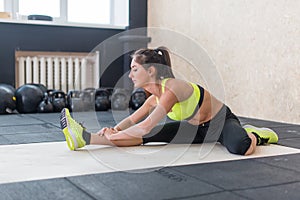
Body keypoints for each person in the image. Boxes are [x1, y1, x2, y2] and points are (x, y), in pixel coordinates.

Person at [60, 47, 278, 155]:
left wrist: (117, 132)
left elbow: (145, 125)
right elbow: (132, 121)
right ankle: (85, 139)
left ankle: (255, 134)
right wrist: (113, 129)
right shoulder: (153, 98)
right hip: (195, 130)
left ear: (151, 70)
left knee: (240, 147)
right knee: (145, 138)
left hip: (219, 121)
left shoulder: (173, 88)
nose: (130, 75)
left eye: (134, 69)